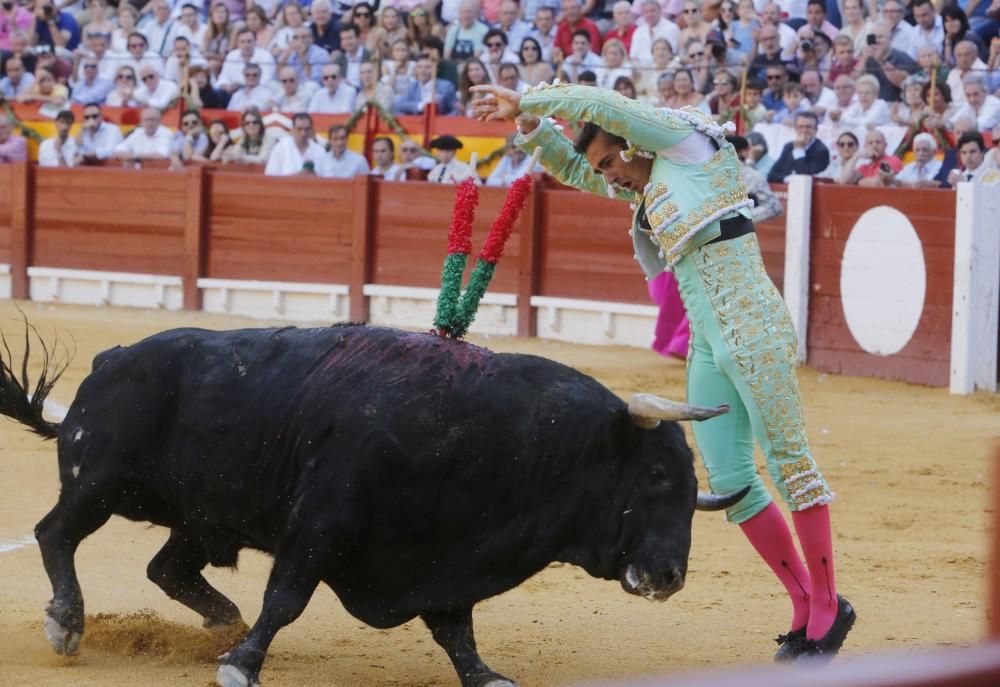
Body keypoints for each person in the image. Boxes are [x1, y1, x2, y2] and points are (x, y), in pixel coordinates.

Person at [471, 80, 855, 663]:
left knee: (789, 462)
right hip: (708, 344)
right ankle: (802, 603)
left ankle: (829, 606)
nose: (607, 176)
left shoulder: (685, 147)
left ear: (632, 143)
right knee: (732, 483)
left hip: (752, 328)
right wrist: (529, 128)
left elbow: (601, 106)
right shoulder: (653, 189)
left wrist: (528, 98)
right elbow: (576, 170)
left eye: (610, 162)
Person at [767, 111, 830, 182]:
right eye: (801, 127)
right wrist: (788, 179)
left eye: (808, 127)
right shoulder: (789, 146)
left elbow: (805, 177)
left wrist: (798, 150)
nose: (804, 130)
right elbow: (771, 175)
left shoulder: (821, 150)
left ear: (815, 130)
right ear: (795, 129)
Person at [264, 112, 330, 176]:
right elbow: (271, 177)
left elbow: (327, 180)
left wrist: (313, 176)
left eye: (306, 129)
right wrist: (299, 175)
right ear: (292, 129)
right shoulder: (281, 147)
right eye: (299, 129)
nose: (303, 133)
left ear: (311, 130)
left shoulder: (319, 151)